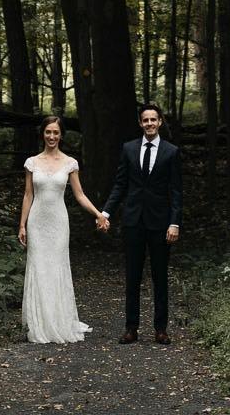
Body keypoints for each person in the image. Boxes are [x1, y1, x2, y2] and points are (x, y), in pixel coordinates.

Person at [96, 102, 182, 344]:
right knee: (132, 277)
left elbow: (176, 191)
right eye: (145, 120)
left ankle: (160, 329)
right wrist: (106, 213)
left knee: (160, 277)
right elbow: (120, 184)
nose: (149, 124)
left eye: (153, 120)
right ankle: (131, 328)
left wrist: (174, 223)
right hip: (133, 222)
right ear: (140, 123)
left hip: (160, 223)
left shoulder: (171, 151)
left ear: (160, 122)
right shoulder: (129, 149)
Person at [17, 114, 103, 344]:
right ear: (42, 134)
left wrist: (98, 213)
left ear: (61, 135)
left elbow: (80, 195)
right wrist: (22, 224)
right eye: (48, 132)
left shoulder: (69, 163)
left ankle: (59, 320)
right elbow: (28, 194)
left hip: (58, 223)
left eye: (56, 132)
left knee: (56, 268)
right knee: (39, 267)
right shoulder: (32, 162)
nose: (52, 136)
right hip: (37, 222)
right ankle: (40, 324)